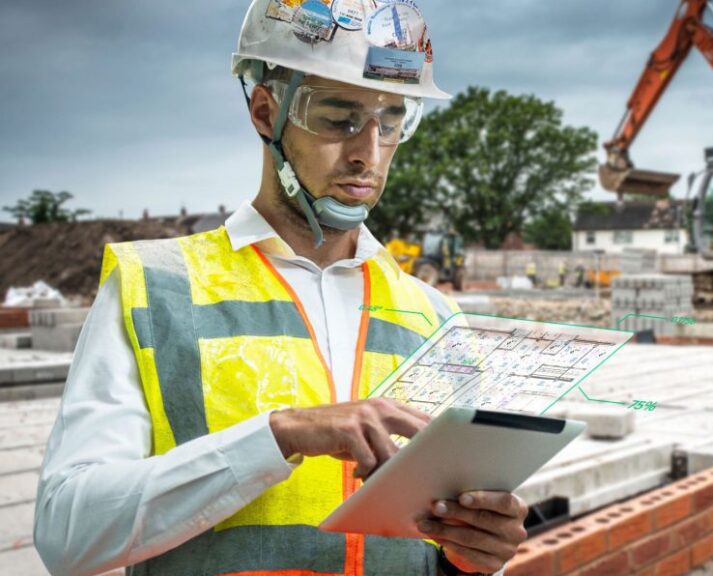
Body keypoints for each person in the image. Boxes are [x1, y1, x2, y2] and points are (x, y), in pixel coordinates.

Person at [34, 1, 528, 575]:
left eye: (391, 122)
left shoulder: (435, 316)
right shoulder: (155, 290)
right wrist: (279, 436)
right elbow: (67, 534)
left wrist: (473, 554)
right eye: (339, 118)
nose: (368, 153)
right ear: (267, 113)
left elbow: (445, 538)